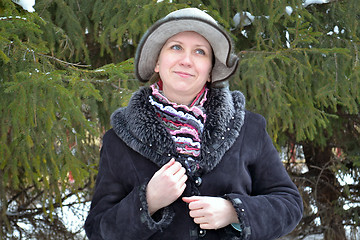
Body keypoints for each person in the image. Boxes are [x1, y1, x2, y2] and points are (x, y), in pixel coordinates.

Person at [84, 7, 303, 240]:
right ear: (157, 62)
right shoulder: (119, 140)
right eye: (176, 47)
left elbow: (289, 205)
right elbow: (98, 229)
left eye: (200, 52)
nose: (186, 60)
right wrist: (147, 201)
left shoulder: (249, 129)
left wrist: (234, 212)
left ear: (210, 71)